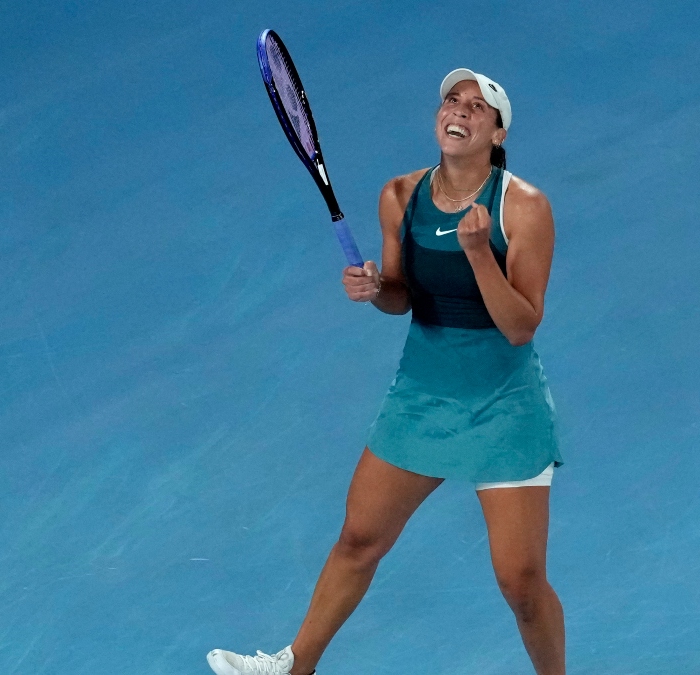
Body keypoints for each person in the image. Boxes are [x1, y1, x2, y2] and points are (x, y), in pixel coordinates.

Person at [207, 68, 565, 675]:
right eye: (452, 99)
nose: (459, 110)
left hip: (503, 402)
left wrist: (479, 254)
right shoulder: (400, 194)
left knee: (521, 582)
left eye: (477, 107)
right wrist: (375, 288)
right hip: (423, 395)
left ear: (498, 133)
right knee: (358, 540)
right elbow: (402, 296)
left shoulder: (525, 208)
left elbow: (521, 326)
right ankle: (293, 669)